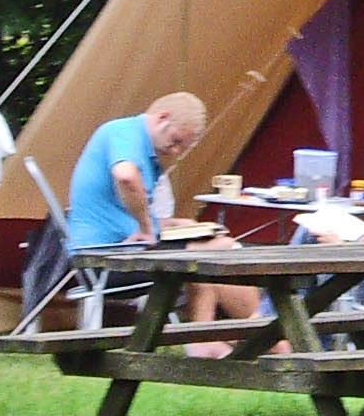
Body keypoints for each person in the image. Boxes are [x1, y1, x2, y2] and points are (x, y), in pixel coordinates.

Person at [69, 91, 257, 327]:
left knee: (206, 249)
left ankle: (206, 339)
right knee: (223, 248)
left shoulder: (139, 144)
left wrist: (172, 224)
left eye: (182, 147)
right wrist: (147, 227)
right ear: (162, 118)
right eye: (176, 141)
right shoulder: (123, 133)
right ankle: (268, 338)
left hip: (123, 251)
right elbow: (126, 176)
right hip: (104, 262)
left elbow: (122, 209)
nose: (175, 151)